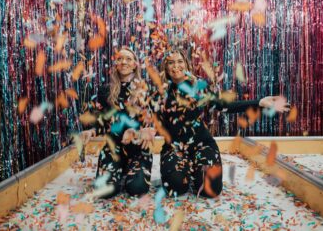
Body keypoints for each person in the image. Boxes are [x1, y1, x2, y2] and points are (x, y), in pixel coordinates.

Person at [152, 48, 289, 198]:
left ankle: (197, 170)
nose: (175, 66)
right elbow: (153, 121)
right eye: (171, 63)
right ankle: (184, 169)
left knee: (210, 191)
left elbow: (225, 106)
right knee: (176, 188)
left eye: (179, 61)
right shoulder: (160, 92)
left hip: (202, 144)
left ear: (186, 64)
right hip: (174, 147)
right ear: (165, 67)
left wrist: (259, 102)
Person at [82, 47, 155, 198]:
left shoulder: (145, 90)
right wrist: (91, 131)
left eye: (128, 59)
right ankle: (118, 167)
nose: (124, 62)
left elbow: (152, 120)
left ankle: (129, 169)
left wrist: (147, 130)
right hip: (113, 147)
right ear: (116, 63)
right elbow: (101, 120)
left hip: (137, 148)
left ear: (135, 64)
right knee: (105, 191)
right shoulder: (105, 91)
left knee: (137, 189)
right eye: (120, 59)